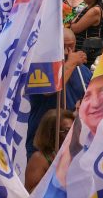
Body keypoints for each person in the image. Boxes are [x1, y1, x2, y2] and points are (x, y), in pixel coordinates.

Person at [25, 28, 92, 157]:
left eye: (71, 46)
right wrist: (71, 63)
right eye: (63, 47)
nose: (68, 51)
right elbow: (49, 91)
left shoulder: (82, 70)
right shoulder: (39, 68)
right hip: (44, 145)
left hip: (71, 143)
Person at [24, 109, 75, 192]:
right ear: (51, 134)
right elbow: (31, 195)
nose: (72, 134)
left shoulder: (75, 155)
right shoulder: (39, 159)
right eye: (67, 131)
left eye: (73, 130)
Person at [69, 0, 103, 65]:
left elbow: (76, 28)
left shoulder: (95, 10)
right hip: (83, 50)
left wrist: (72, 23)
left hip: (87, 53)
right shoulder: (88, 6)